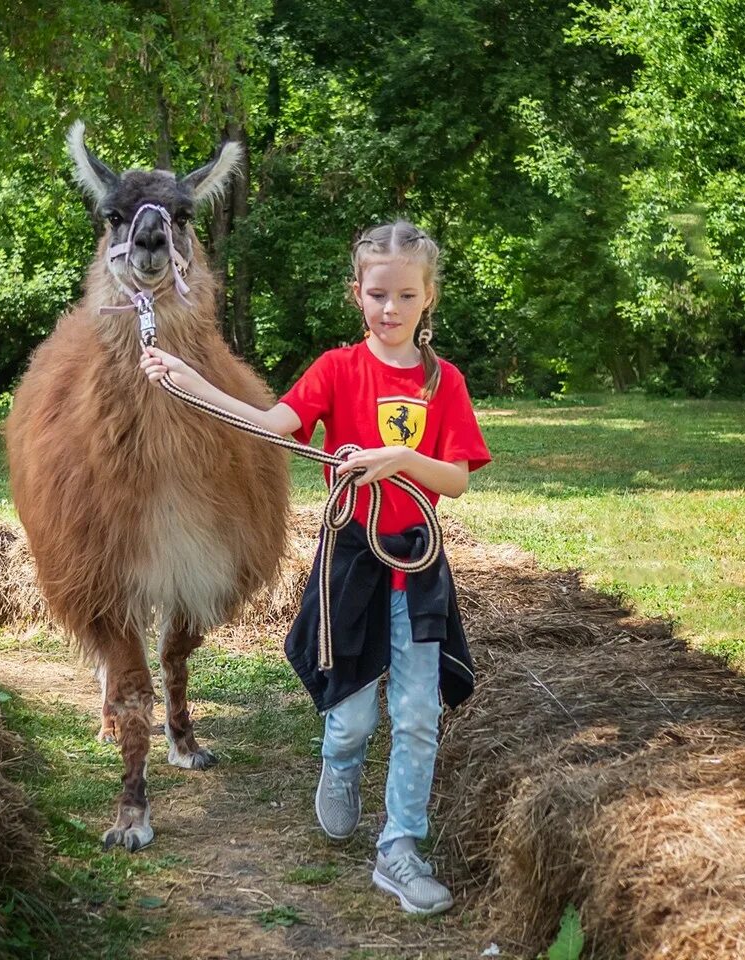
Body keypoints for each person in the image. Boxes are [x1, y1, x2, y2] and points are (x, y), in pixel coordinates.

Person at [139, 220, 491, 915]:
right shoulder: (338, 370)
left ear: (429, 300)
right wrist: (189, 381)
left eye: (406, 296)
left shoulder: (442, 383)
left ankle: (400, 848)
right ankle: (340, 761)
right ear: (357, 293)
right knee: (356, 715)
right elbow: (273, 425)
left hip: (417, 564)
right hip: (352, 564)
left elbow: (454, 480)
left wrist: (396, 461)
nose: (390, 309)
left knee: (418, 713)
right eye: (377, 294)